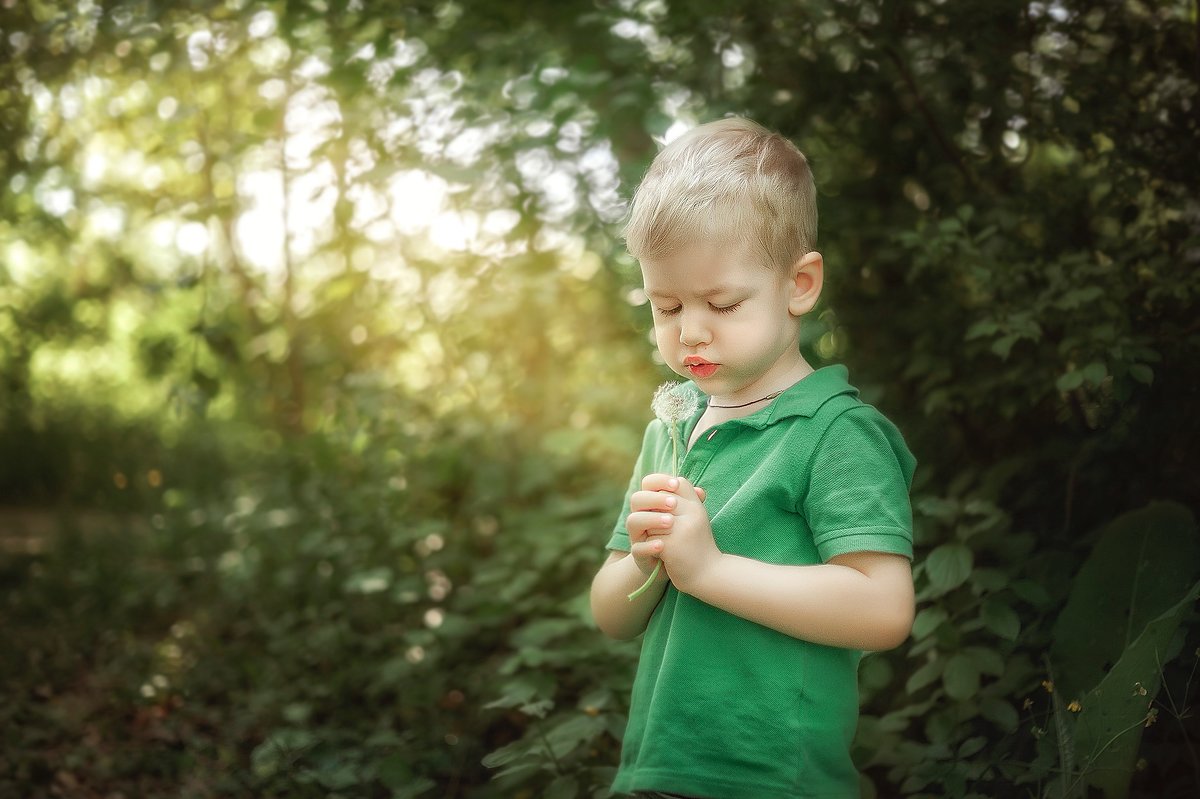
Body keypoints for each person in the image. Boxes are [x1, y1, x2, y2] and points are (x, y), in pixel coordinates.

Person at [589, 117, 917, 799]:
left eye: (723, 302)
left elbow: (883, 608)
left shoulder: (835, 432)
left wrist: (707, 569)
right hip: (660, 771)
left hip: (773, 778)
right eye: (666, 305)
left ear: (799, 285)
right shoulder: (672, 429)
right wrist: (646, 558)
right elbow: (613, 616)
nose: (691, 331)